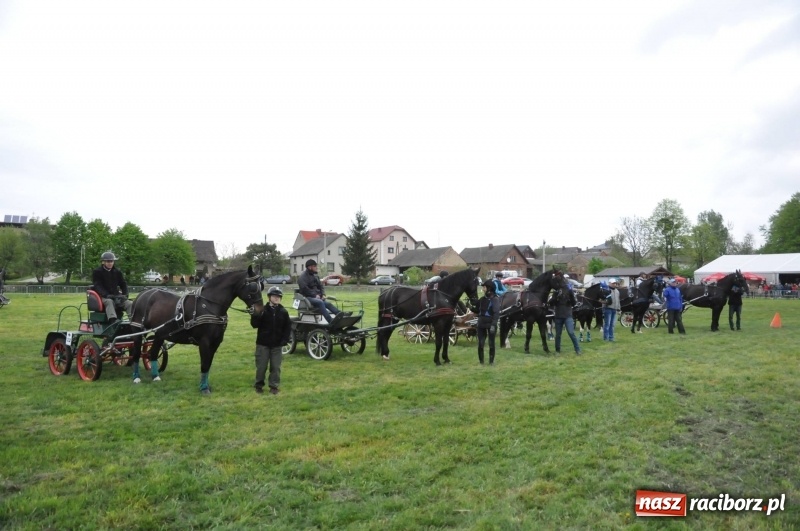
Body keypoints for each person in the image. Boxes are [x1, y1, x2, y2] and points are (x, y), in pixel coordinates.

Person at [250, 286, 292, 395]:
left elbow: (287, 328)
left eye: (279, 296)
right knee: (261, 367)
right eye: (274, 296)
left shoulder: (283, 312)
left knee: (275, 367)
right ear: (269, 297)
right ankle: (259, 385)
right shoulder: (263, 310)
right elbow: (254, 325)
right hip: (263, 344)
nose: (277, 298)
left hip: (277, 345)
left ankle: (274, 386)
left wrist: (285, 340)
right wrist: (254, 315)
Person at [91, 251, 132, 323]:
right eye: (108, 261)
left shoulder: (117, 272)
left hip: (116, 295)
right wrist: (106, 295)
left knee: (129, 303)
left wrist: (125, 295)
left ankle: (133, 321)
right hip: (104, 296)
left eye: (112, 261)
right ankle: (113, 320)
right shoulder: (97, 272)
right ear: (103, 262)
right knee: (109, 302)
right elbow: (97, 286)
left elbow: (123, 284)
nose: (110, 263)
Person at [298, 259, 341, 323]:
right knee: (320, 302)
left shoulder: (315, 275)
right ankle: (330, 320)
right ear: (310, 267)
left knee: (328, 303)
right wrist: (315, 295)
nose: (316, 267)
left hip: (317, 297)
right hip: (307, 297)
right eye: (314, 266)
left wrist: (323, 294)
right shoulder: (302, 277)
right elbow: (305, 289)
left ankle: (340, 314)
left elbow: (321, 286)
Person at [553, 281, 582, 355]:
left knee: (571, 332)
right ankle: (557, 350)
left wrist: (571, 295)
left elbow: (574, 303)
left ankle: (577, 349)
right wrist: (556, 296)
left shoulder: (569, 291)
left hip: (567, 315)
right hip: (558, 316)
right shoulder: (556, 291)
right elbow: (551, 303)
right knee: (558, 334)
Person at [475, 279, 499, 365]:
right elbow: (477, 310)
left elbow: (496, 313)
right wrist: (470, 306)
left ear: (489, 288)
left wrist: (493, 325)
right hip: (481, 324)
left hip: (490, 323)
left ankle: (491, 362)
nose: (483, 289)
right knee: (481, 344)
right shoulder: (482, 299)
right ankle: (481, 362)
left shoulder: (495, 299)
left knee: (491, 344)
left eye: (484, 287)